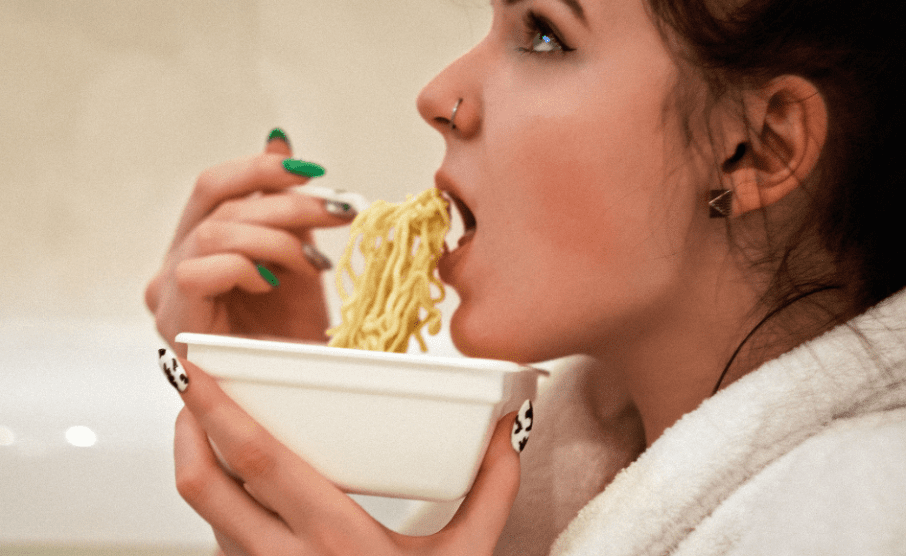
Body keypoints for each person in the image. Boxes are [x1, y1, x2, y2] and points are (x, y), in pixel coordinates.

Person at [145, 0, 906, 553]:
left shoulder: (863, 510)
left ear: (758, 149)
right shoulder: (583, 459)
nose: (437, 95)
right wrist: (300, 411)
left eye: (543, 33)